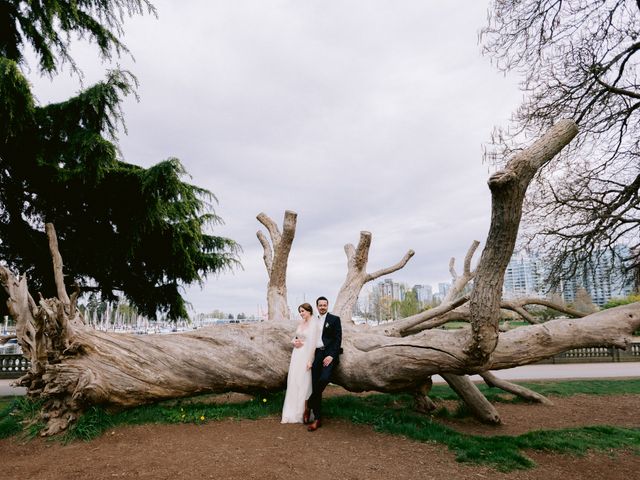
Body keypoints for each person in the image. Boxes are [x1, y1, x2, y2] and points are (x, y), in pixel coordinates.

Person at [305, 296, 342, 432]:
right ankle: (317, 419)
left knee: (324, 379)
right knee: (315, 384)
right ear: (317, 306)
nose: (322, 307)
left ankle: (309, 404)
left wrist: (331, 355)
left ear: (327, 305)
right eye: (320, 305)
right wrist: (296, 341)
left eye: (324, 305)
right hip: (316, 354)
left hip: (328, 355)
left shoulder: (334, 319)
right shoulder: (312, 320)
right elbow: (304, 334)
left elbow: (338, 340)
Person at [281, 303, 318, 423]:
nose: (301, 313)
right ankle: (290, 411)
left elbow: (313, 344)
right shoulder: (301, 323)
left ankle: (302, 412)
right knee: (294, 380)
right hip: (296, 354)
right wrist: (295, 342)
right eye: (300, 312)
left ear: (309, 311)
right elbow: (296, 337)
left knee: (303, 382)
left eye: (303, 311)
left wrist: (310, 361)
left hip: (305, 355)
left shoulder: (314, 323)